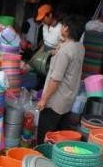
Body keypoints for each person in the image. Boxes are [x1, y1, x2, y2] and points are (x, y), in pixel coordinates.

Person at [37, 15, 86, 144]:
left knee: (45, 138)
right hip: (68, 100)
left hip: (55, 102)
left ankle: (42, 160)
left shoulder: (65, 51)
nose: (61, 28)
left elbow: (56, 79)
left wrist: (44, 99)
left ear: (67, 29)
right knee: (61, 139)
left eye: (63, 25)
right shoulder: (79, 48)